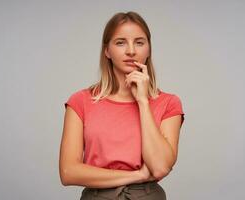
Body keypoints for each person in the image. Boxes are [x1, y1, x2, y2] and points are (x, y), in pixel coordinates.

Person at [59, 11, 185, 200]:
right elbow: (68, 172)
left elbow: (159, 167)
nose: (131, 50)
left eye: (139, 42)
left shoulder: (168, 102)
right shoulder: (81, 101)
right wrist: (136, 176)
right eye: (120, 42)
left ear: (149, 49)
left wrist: (143, 101)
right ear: (107, 51)